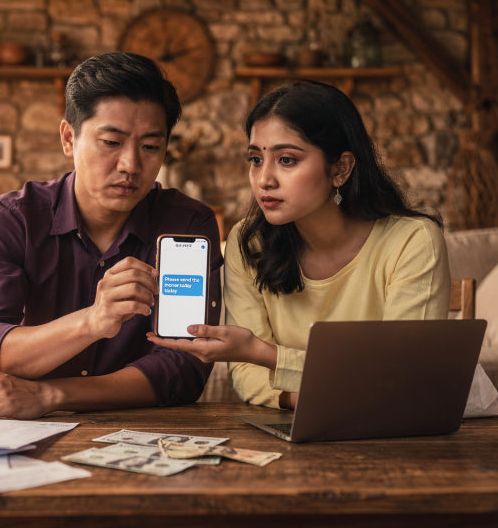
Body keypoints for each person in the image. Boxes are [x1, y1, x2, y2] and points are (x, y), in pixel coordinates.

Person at [0, 52, 220, 528]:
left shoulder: (187, 224)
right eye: (111, 142)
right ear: (68, 138)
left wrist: (50, 395)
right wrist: (91, 322)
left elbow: (182, 367)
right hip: (24, 432)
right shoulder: (9, 220)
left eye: (151, 146)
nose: (131, 165)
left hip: (149, 431)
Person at [150, 79, 449, 414]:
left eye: (287, 159)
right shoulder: (247, 242)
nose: (264, 179)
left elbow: (403, 377)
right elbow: (247, 376)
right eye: (256, 159)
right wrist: (322, 399)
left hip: (396, 440)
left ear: (340, 169)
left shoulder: (412, 240)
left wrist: (263, 353)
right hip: (290, 427)